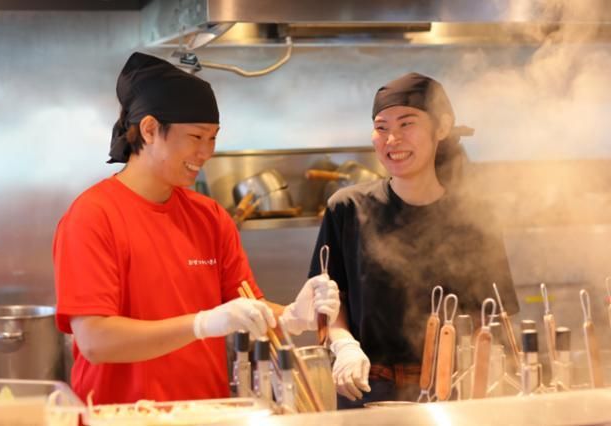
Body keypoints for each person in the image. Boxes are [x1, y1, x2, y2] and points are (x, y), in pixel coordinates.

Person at [53, 52, 340, 405]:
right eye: (196, 136)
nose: (206, 152)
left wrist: (294, 316)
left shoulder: (210, 217)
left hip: (210, 412)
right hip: (121, 416)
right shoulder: (93, 216)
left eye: (213, 138)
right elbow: (95, 341)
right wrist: (201, 324)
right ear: (149, 130)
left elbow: (247, 308)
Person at [308, 73, 519, 408]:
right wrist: (344, 345)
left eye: (407, 124)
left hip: (454, 394)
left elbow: (491, 317)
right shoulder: (347, 208)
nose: (392, 139)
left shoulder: (474, 216)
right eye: (381, 127)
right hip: (365, 392)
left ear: (442, 127)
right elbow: (328, 303)